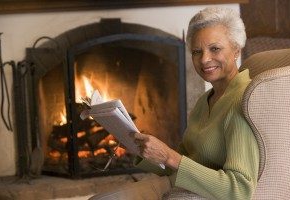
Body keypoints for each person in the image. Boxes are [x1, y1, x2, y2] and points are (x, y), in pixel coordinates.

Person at [89, 6, 259, 200]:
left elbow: (239, 190)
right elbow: (181, 163)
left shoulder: (243, 101)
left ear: (236, 49)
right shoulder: (206, 99)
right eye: (196, 51)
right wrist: (139, 149)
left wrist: (169, 156)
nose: (204, 59)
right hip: (177, 183)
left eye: (215, 48)